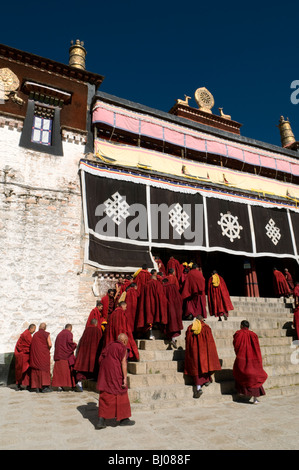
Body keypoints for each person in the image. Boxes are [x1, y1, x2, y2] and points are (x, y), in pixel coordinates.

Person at [96, 333, 135, 429]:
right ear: (125, 341)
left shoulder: (109, 345)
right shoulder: (123, 348)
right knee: (122, 393)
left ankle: (101, 420)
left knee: (105, 394)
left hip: (105, 374)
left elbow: (100, 359)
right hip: (115, 373)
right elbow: (123, 363)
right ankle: (124, 419)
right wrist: (125, 378)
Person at [184, 315, 221, 398]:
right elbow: (210, 342)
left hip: (194, 352)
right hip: (205, 352)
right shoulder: (206, 328)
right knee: (206, 365)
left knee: (196, 367)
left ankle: (198, 388)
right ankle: (207, 380)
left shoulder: (190, 327)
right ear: (202, 320)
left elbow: (187, 340)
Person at [233, 320, 268, 404]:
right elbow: (257, 348)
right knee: (255, 376)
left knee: (239, 371)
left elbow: (236, 345)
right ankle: (255, 398)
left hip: (242, 358)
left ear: (241, 326)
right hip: (254, 359)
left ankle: (241, 392)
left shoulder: (238, 334)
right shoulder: (253, 335)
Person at [135, 269, 168, 340]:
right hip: (156, 305)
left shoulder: (145, 285)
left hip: (147, 305)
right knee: (156, 316)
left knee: (149, 318)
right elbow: (161, 296)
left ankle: (150, 333)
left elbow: (142, 297)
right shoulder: (158, 284)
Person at [74, 319, 103, 392]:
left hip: (85, 352)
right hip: (94, 352)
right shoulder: (97, 330)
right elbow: (100, 342)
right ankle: (93, 378)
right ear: (96, 324)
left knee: (83, 366)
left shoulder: (86, 330)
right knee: (93, 365)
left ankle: (79, 382)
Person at [51, 324, 77, 391]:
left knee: (59, 372)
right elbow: (69, 344)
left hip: (58, 355)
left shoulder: (59, 334)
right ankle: (68, 385)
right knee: (66, 372)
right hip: (65, 356)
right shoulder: (69, 333)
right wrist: (75, 345)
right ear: (70, 328)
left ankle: (59, 386)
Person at [29, 323, 52, 393]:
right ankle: (45, 387)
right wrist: (47, 349)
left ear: (39, 327)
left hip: (37, 356)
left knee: (37, 369)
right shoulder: (46, 334)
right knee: (44, 369)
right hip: (44, 355)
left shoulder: (35, 335)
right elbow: (50, 344)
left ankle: (37, 386)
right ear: (45, 328)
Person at [162, 278, 183, 348]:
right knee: (174, 323)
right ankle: (173, 339)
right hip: (175, 308)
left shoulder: (162, 288)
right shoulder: (173, 287)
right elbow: (179, 298)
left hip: (166, 308)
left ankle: (171, 338)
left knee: (168, 324)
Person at [14, 324, 36, 390]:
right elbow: (30, 344)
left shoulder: (26, 334)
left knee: (26, 370)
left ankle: (25, 385)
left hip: (24, 355)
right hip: (24, 355)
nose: (34, 331)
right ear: (31, 328)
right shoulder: (26, 335)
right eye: (34, 329)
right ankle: (20, 385)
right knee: (23, 370)